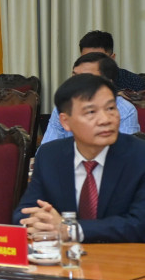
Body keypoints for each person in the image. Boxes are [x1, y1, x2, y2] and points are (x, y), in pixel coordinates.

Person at [14, 74, 145, 243]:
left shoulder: (139, 155)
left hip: (126, 262)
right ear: (65, 122)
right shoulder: (50, 156)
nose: (105, 120)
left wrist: (70, 229)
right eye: (91, 112)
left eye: (111, 108)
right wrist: (37, 222)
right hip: (65, 262)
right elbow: (23, 212)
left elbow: (139, 224)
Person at [40, 53, 139, 145]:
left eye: (85, 77)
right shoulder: (63, 106)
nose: (76, 83)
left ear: (107, 82)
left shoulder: (125, 111)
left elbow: (125, 157)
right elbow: (46, 150)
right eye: (74, 76)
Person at [79, 30, 145, 92]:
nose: (91, 64)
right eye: (86, 59)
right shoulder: (77, 83)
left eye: (97, 59)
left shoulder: (134, 82)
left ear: (112, 58)